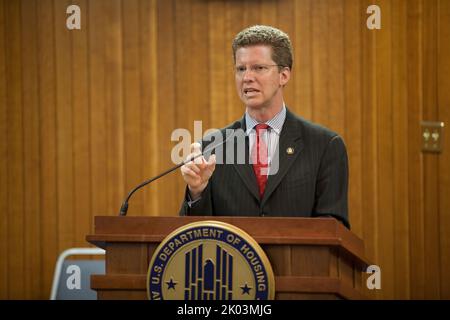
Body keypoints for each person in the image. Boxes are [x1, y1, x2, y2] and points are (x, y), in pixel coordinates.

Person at [179, 25, 349, 228]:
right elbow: (192, 237)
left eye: (259, 68)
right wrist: (196, 192)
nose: (247, 77)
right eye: (241, 69)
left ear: (283, 76)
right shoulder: (211, 147)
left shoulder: (325, 146)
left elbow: (334, 229)